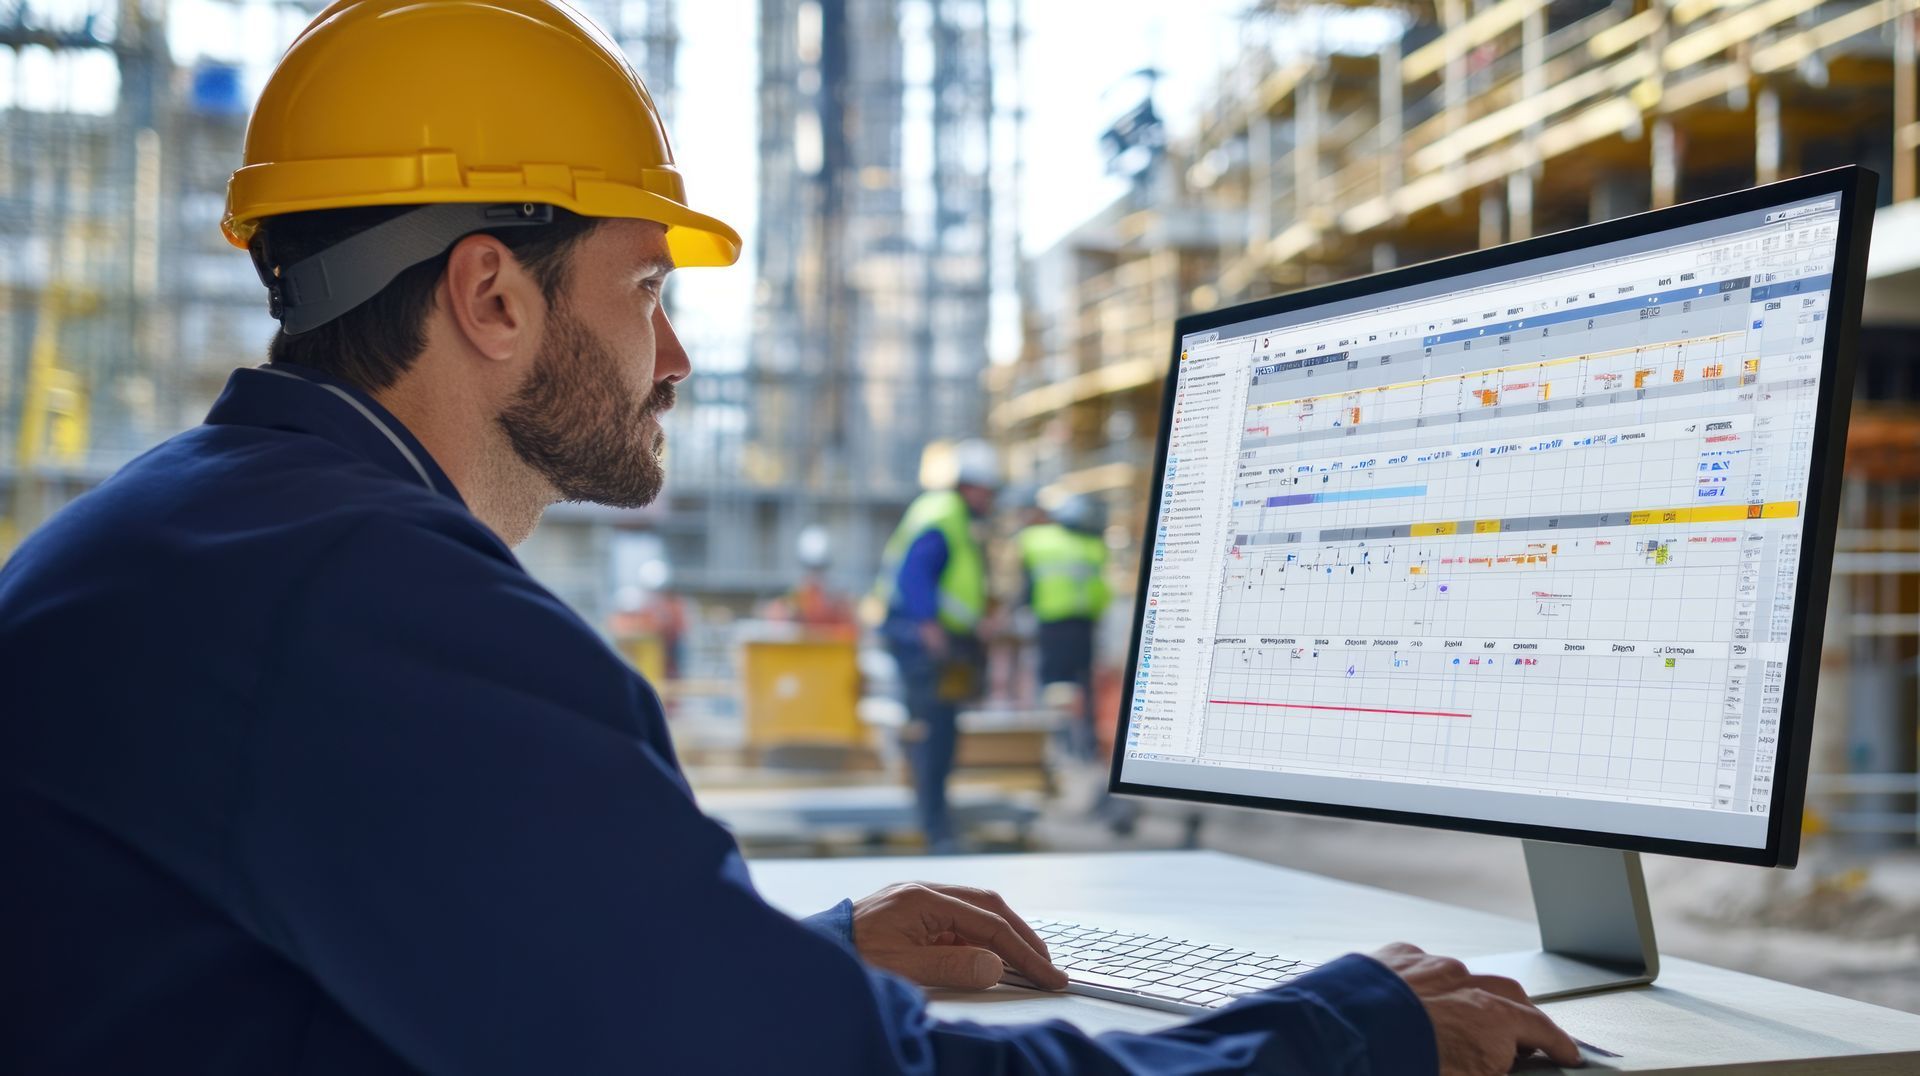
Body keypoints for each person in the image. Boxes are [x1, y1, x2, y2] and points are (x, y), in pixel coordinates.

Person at [0, 1, 1582, 1072]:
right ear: (491, 295)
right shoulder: (368, 607)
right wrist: (1340, 1033)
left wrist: (790, 956)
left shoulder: (205, 535)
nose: (675, 361)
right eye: (648, 293)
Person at [874, 440, 999, 852]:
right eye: (988, 490)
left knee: (941, 727)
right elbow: (915, 576)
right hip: (924, 642)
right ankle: (936, 829)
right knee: (935, 730)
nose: (991, 499)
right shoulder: (945, 515)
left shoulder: (956, 518)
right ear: (970, 486)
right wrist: (930, 628)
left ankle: (937, 819)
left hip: (940, 641)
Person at [1017, 494, 1112, 759]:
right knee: (1083, 684)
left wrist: (1022, 611)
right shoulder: (1093, 546)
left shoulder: (1037, 541)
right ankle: (1085, 744)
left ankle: (1060, 742)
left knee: (1055, 685)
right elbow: (1101, 589)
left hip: (1053, 625)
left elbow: (1027, 585)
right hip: (1085, 625)